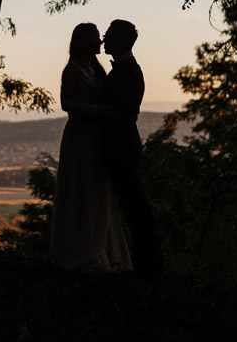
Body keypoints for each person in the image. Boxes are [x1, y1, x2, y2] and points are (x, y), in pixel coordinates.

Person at [50, 23, 132, 272]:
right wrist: (99, 110)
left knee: (96, 190)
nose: (100, 42)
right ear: (84, 41)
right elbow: (66, 104)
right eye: (96, 38)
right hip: (79, 138)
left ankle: (98, 246)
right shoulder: (72, 69)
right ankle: (82, 248)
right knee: (80, 189)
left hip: (96, 138)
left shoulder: (97, 70)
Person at [101, 19, 164, 280]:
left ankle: (149, 265)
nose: (103, 40)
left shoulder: (127, 72)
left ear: (120, 40)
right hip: (122, 147)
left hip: (121, 148)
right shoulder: (127, 69)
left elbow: (122, 113)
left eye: (108, 36)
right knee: (134, 207)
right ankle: (147, 264)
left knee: (136, 208)